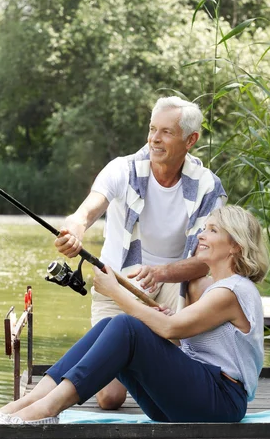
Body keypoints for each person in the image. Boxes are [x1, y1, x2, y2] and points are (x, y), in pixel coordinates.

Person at [0, 205, 270, 428]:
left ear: (236, 246)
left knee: (127, 326)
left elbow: (169, 329)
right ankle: (28, 402)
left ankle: (46, 409)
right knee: (110, 325)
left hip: (219, 403)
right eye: (204, 228)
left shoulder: (233, 290)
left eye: (213, 230)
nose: (202, 235)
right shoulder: (219, 290)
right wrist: (157, 320)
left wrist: (116, 292)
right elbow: (181, 336)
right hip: (192, 401)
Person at [53, 96, 227, 410]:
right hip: (119, 283)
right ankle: (137, 352)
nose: (154, 139)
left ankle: (192, 366)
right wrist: (75, 229)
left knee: (204, 285)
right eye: (151, 129)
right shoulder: (122, 169)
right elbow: (87, 211)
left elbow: (206, 261)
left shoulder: (208, 186)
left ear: (191, 140)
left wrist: (160, 273)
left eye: (166, 132)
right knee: (108, 398)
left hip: (175, 287)